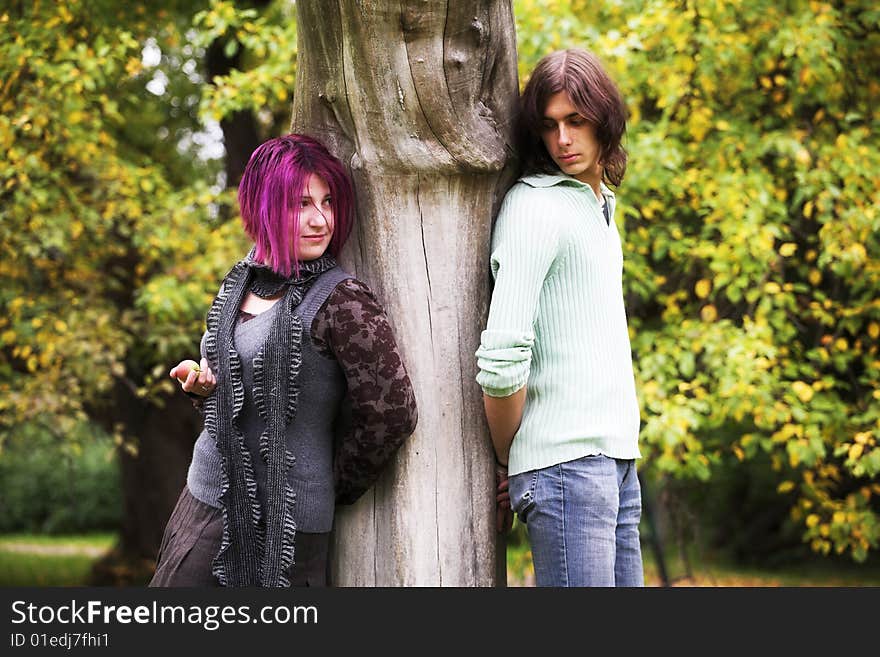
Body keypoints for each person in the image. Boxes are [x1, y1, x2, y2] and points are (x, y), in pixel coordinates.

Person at [150, 133, 418, 587]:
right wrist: (203, 387)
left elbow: (391, 412)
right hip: (204, 499)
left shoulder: (341, 301)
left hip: (283, 532)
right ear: (264, 207)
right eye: (301, 204)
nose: (321, 220)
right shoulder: (240, 281)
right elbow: (229, 382)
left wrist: (326, 483)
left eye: (328, 202)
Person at [476, 48, 643, 587]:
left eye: (576, 121)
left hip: (616, 461)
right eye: (549, 126)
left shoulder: (599, 205)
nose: (563, 140)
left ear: (605, 121)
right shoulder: (535, 206)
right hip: (567, 470)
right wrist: (510, 456)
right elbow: (502, 360)